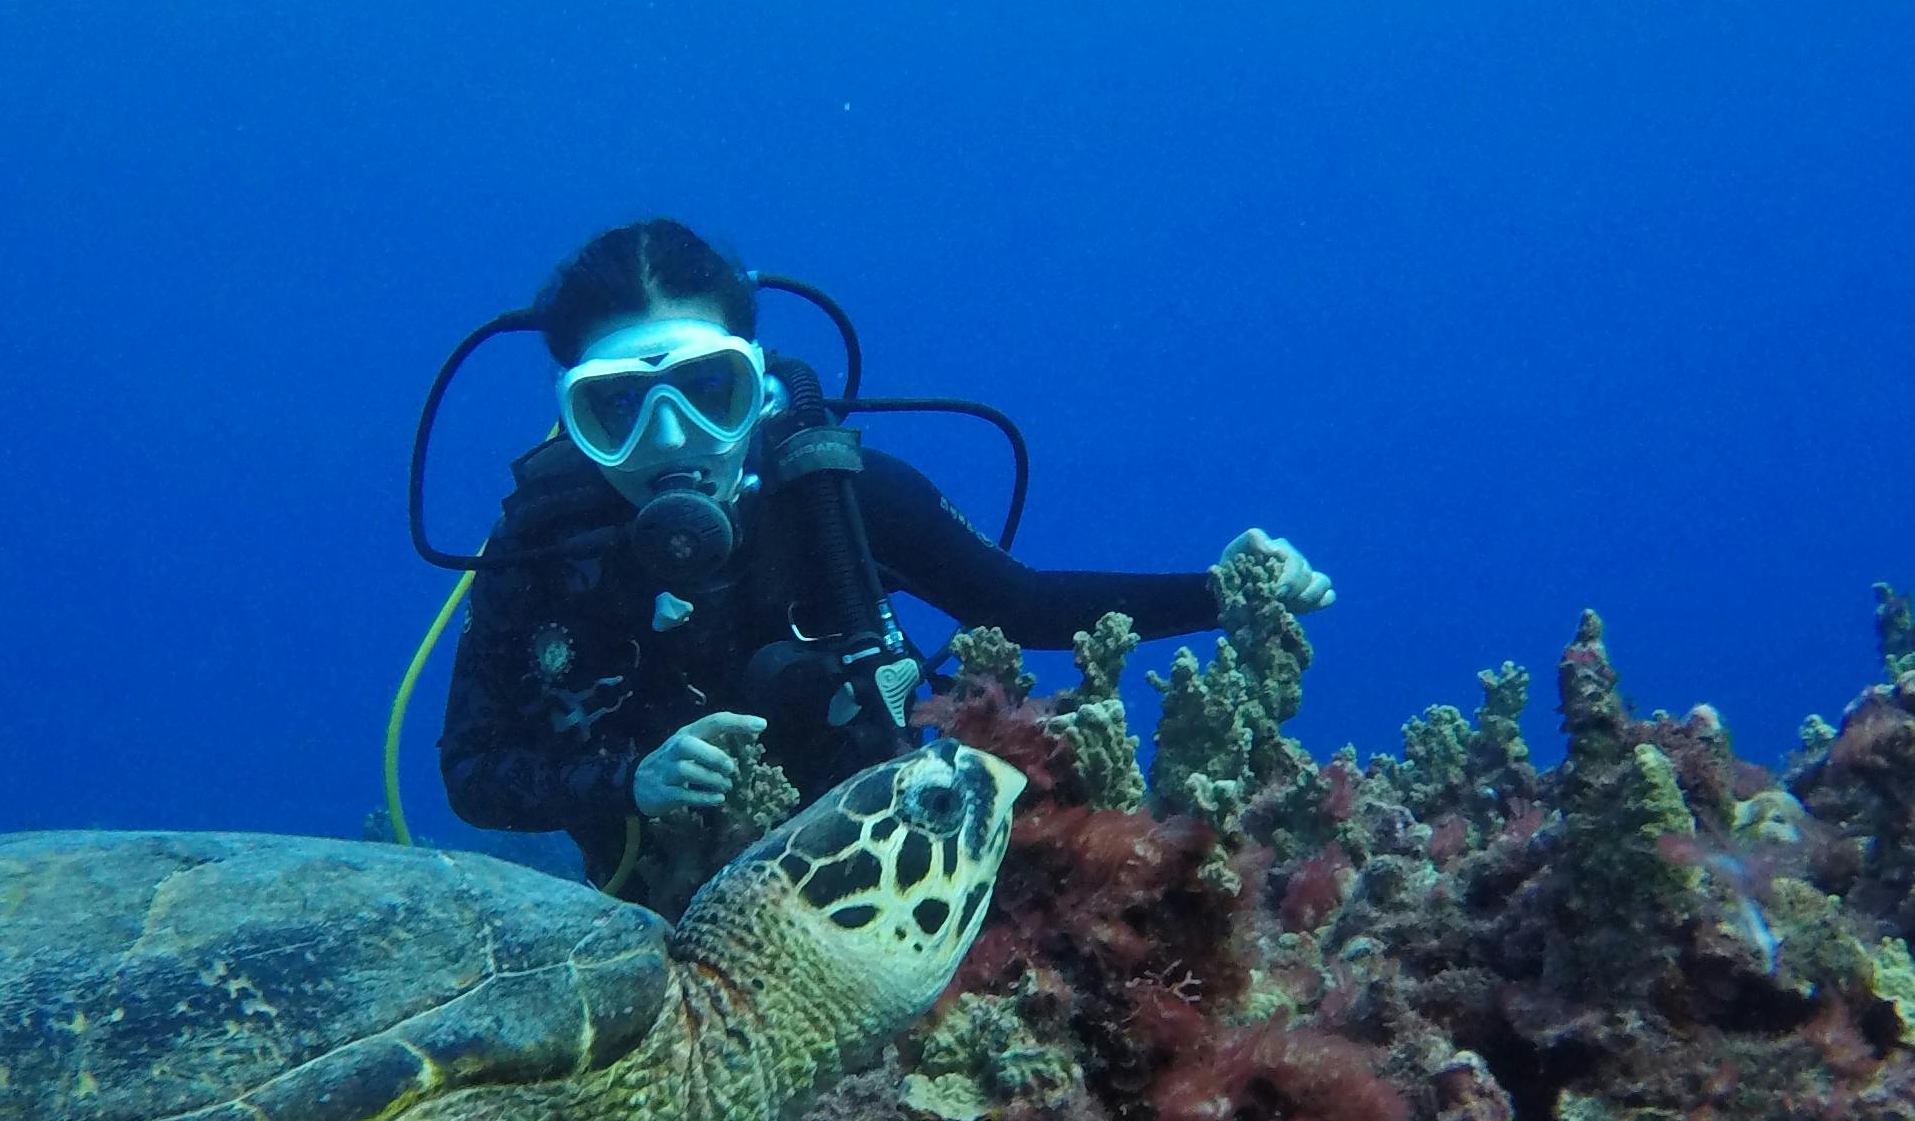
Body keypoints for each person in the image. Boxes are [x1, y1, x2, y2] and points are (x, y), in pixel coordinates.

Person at [438, 216, 1331, 891]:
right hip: (674, 917)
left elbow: (1028, 606)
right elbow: (471, 774)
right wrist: (631, 782)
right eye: (618, 406)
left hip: (907, 874)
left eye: (709, 389)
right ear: (574, 420)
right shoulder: (542, 551)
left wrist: (1223, 590)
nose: (672, 437)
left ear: (757, 381)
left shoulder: (838, 494)